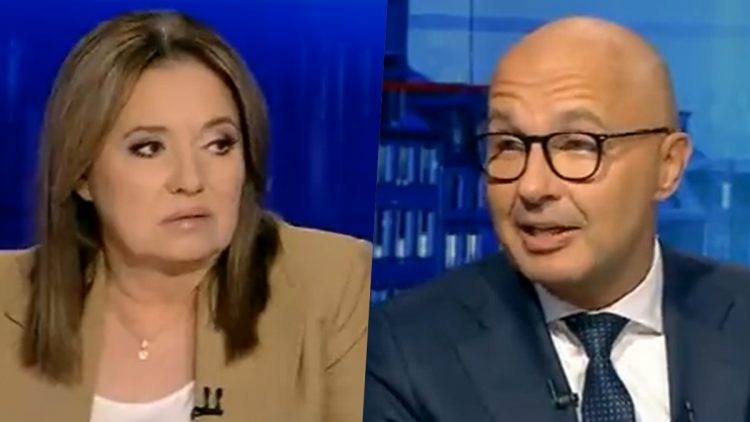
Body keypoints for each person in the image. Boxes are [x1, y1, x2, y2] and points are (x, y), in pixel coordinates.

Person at [364, 16, 750, 422]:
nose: (531, 187)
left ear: (667, 166)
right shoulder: (402, 354)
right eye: (508, 145)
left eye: (578, 145)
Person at [0, 10, 371, 422]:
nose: (191, 180)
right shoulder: (7, 298)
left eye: (219, 144)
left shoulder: (333, 286)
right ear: (81, 174)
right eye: (149, 148)